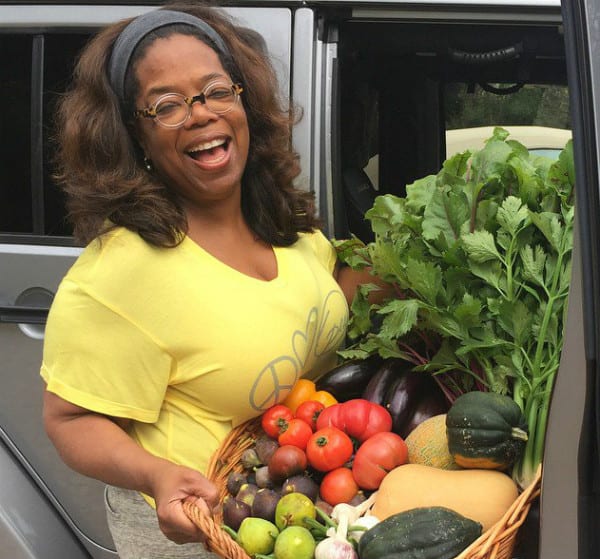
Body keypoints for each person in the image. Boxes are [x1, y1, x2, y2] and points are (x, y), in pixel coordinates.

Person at [41, 2, 378, 558]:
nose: (201, 113)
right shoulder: (123, 271)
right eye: (167, 105)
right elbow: (69, 419)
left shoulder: (283, 223)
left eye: (217, 90)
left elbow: (324, 300)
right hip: (198, 531)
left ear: (245, 100)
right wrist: (156, 475)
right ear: (135, 137)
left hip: (295, 518)